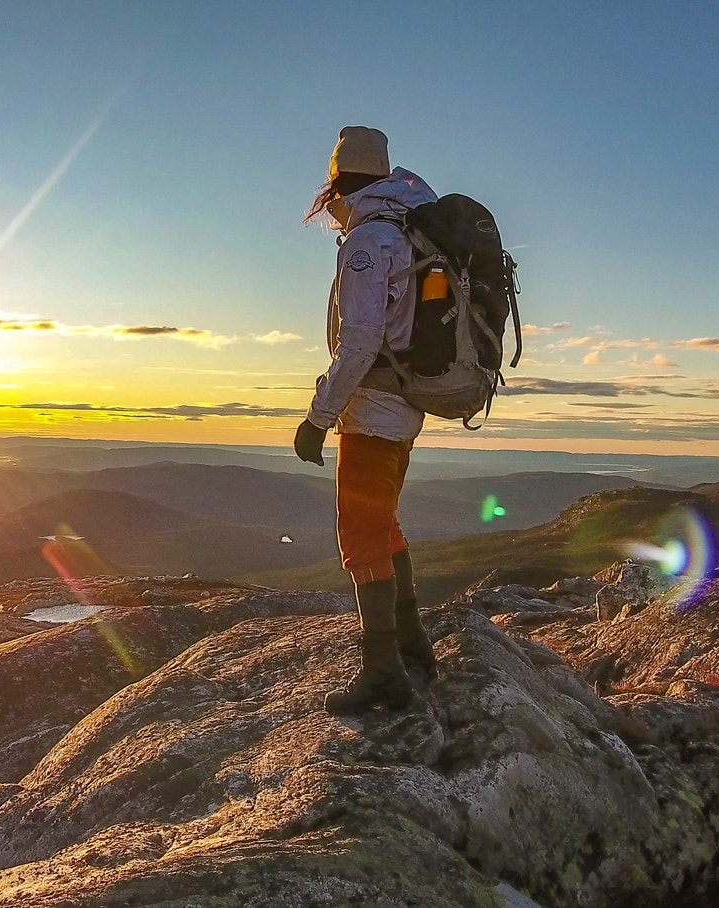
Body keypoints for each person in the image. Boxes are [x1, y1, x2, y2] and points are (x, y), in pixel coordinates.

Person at [294, 126, 439, 714]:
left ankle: (383, 673)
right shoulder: (406, 228)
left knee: (359, 537)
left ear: (337, 183)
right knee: (383, 525)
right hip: (403, 403)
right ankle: (412, 645)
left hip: (373, 408)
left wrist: (317, 417)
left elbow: (359, 341)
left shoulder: (368, 241)